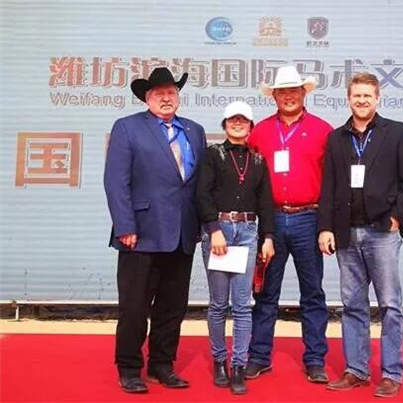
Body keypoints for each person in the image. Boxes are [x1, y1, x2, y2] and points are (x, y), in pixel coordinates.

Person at [317, 72, 403, 397]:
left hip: (382, 233)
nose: (361, 101)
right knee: (352, 304)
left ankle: (391, 373)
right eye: (356, 95)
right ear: (348, 99)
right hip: (346, 233)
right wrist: (325, 227)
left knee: (390, 304)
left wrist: (397, 218)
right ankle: (356, 370)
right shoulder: (336, 138)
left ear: (377, 98)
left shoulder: (397, 132)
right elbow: (328, 187)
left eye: (367, 96)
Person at [104, 67, 206, 393]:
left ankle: (162, 364)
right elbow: (116, 181)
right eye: (159, 93)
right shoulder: (128, 127)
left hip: (182, 233)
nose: (166, 98)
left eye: (171, 92)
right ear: (147, 98)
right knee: (134, 306)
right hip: (141, 233)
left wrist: (204, 225)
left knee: (172, 307)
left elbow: (199, 184)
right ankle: (129, 368)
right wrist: (125, 225)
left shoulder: (194, 130)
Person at [245, 65, 333, 383]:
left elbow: (332, 182)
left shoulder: (324, 130)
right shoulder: (260, 132)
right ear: (275, 96)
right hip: (270, 221)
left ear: (303, 93)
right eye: (282, 92)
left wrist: (327, 224)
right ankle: (258, 356)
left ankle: (315, 360)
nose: (288, 97)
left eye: (294, 90)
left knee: (312, 293)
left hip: (309, 218)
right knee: (265, 292)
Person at [196, 101, 275, 394]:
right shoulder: (212, 154)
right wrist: (213, 229)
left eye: (243, 120)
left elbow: (266, 202)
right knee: (219, 304)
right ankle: (219, 361)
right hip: (219, 231)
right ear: (225, 124)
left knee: (243, 305)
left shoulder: (258, 161)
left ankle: (239, 364)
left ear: (251, 126)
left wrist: (268, 237)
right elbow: (202, 194)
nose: (238, 123)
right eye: (232, 119)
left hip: (248, 233)